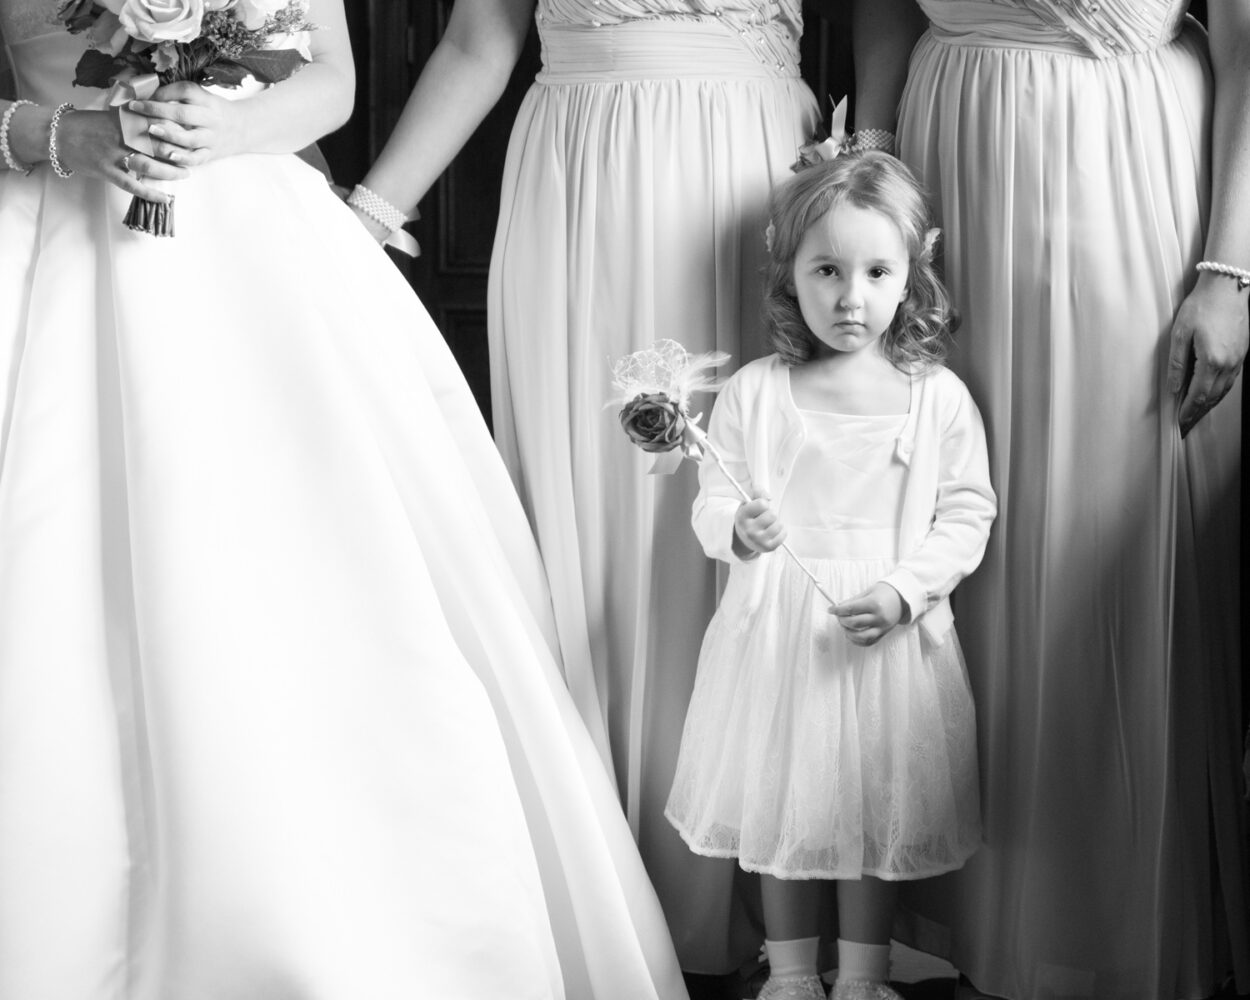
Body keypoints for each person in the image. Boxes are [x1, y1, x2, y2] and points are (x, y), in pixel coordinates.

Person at [0, 0, 689, 996]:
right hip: (48, 234)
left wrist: (230, 124)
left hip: (259, 250)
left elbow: (332, 80)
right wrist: (63, 134)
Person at [346, 0, 848, 973]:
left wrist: (863, 175)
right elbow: (479, 39)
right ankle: (596, 884)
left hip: (752, 177)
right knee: (594, 522)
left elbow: (883, 26)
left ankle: (766, 888)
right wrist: (363, 219)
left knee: (742, 507)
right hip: (580, 182)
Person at [858, 2, 1250, 997]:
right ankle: (969, 923)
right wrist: (870, 172)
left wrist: (1228, 270)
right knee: (955, 524)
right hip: (949, 165)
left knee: (1097, 537)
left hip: (1123, 160)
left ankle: (1107, 932)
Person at [665, 152, 996, 1000]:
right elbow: (713, 500)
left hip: (885, 635)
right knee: (785, 803)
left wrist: (902, 592)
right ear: (789, 273)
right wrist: (739, 530)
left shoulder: (937, 397)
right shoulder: (756, 390)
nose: (852, 297)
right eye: (827, 271)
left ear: (912, 272)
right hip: (781, 636)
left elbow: (967, 514)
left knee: (872, 810)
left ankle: (863, 976)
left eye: (877, 272)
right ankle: (790, 973)